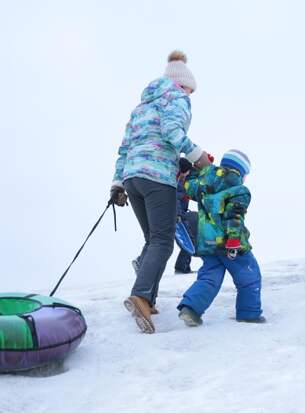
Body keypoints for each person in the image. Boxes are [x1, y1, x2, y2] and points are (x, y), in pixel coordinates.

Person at [111, 50, 211, 334]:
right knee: (164, 241)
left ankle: (148, 299)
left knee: (153, 238)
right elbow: (171, 129)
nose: (190, 96)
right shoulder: (177, 97)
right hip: (158, 178)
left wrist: (117, 184)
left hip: (132, 177)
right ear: (183, 84)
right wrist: (196, 155)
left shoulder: (140, 107)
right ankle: (141, 296)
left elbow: (124, 148)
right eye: (191, 91)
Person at [177, 150, 265, 326]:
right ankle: (249, 313)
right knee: (249, 275)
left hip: (207, 244)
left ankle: (191, 308)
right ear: (240, 171)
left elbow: (189, 185)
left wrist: (189, 169)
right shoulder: (239, 190)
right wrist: (234, 241)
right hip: (230, 244)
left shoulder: (204, 182)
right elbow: (234, 216)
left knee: (209, 277)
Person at [175, 157, 198, 273]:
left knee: (188, 240)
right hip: (178, 217)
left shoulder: (182, 182)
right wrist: (178, 215)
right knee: (189, 240)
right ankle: (181, 267)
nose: (185, 178)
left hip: (180, 215)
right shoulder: (177, 184)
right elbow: (176, 200)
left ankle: (183, 266)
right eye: (185, 175)